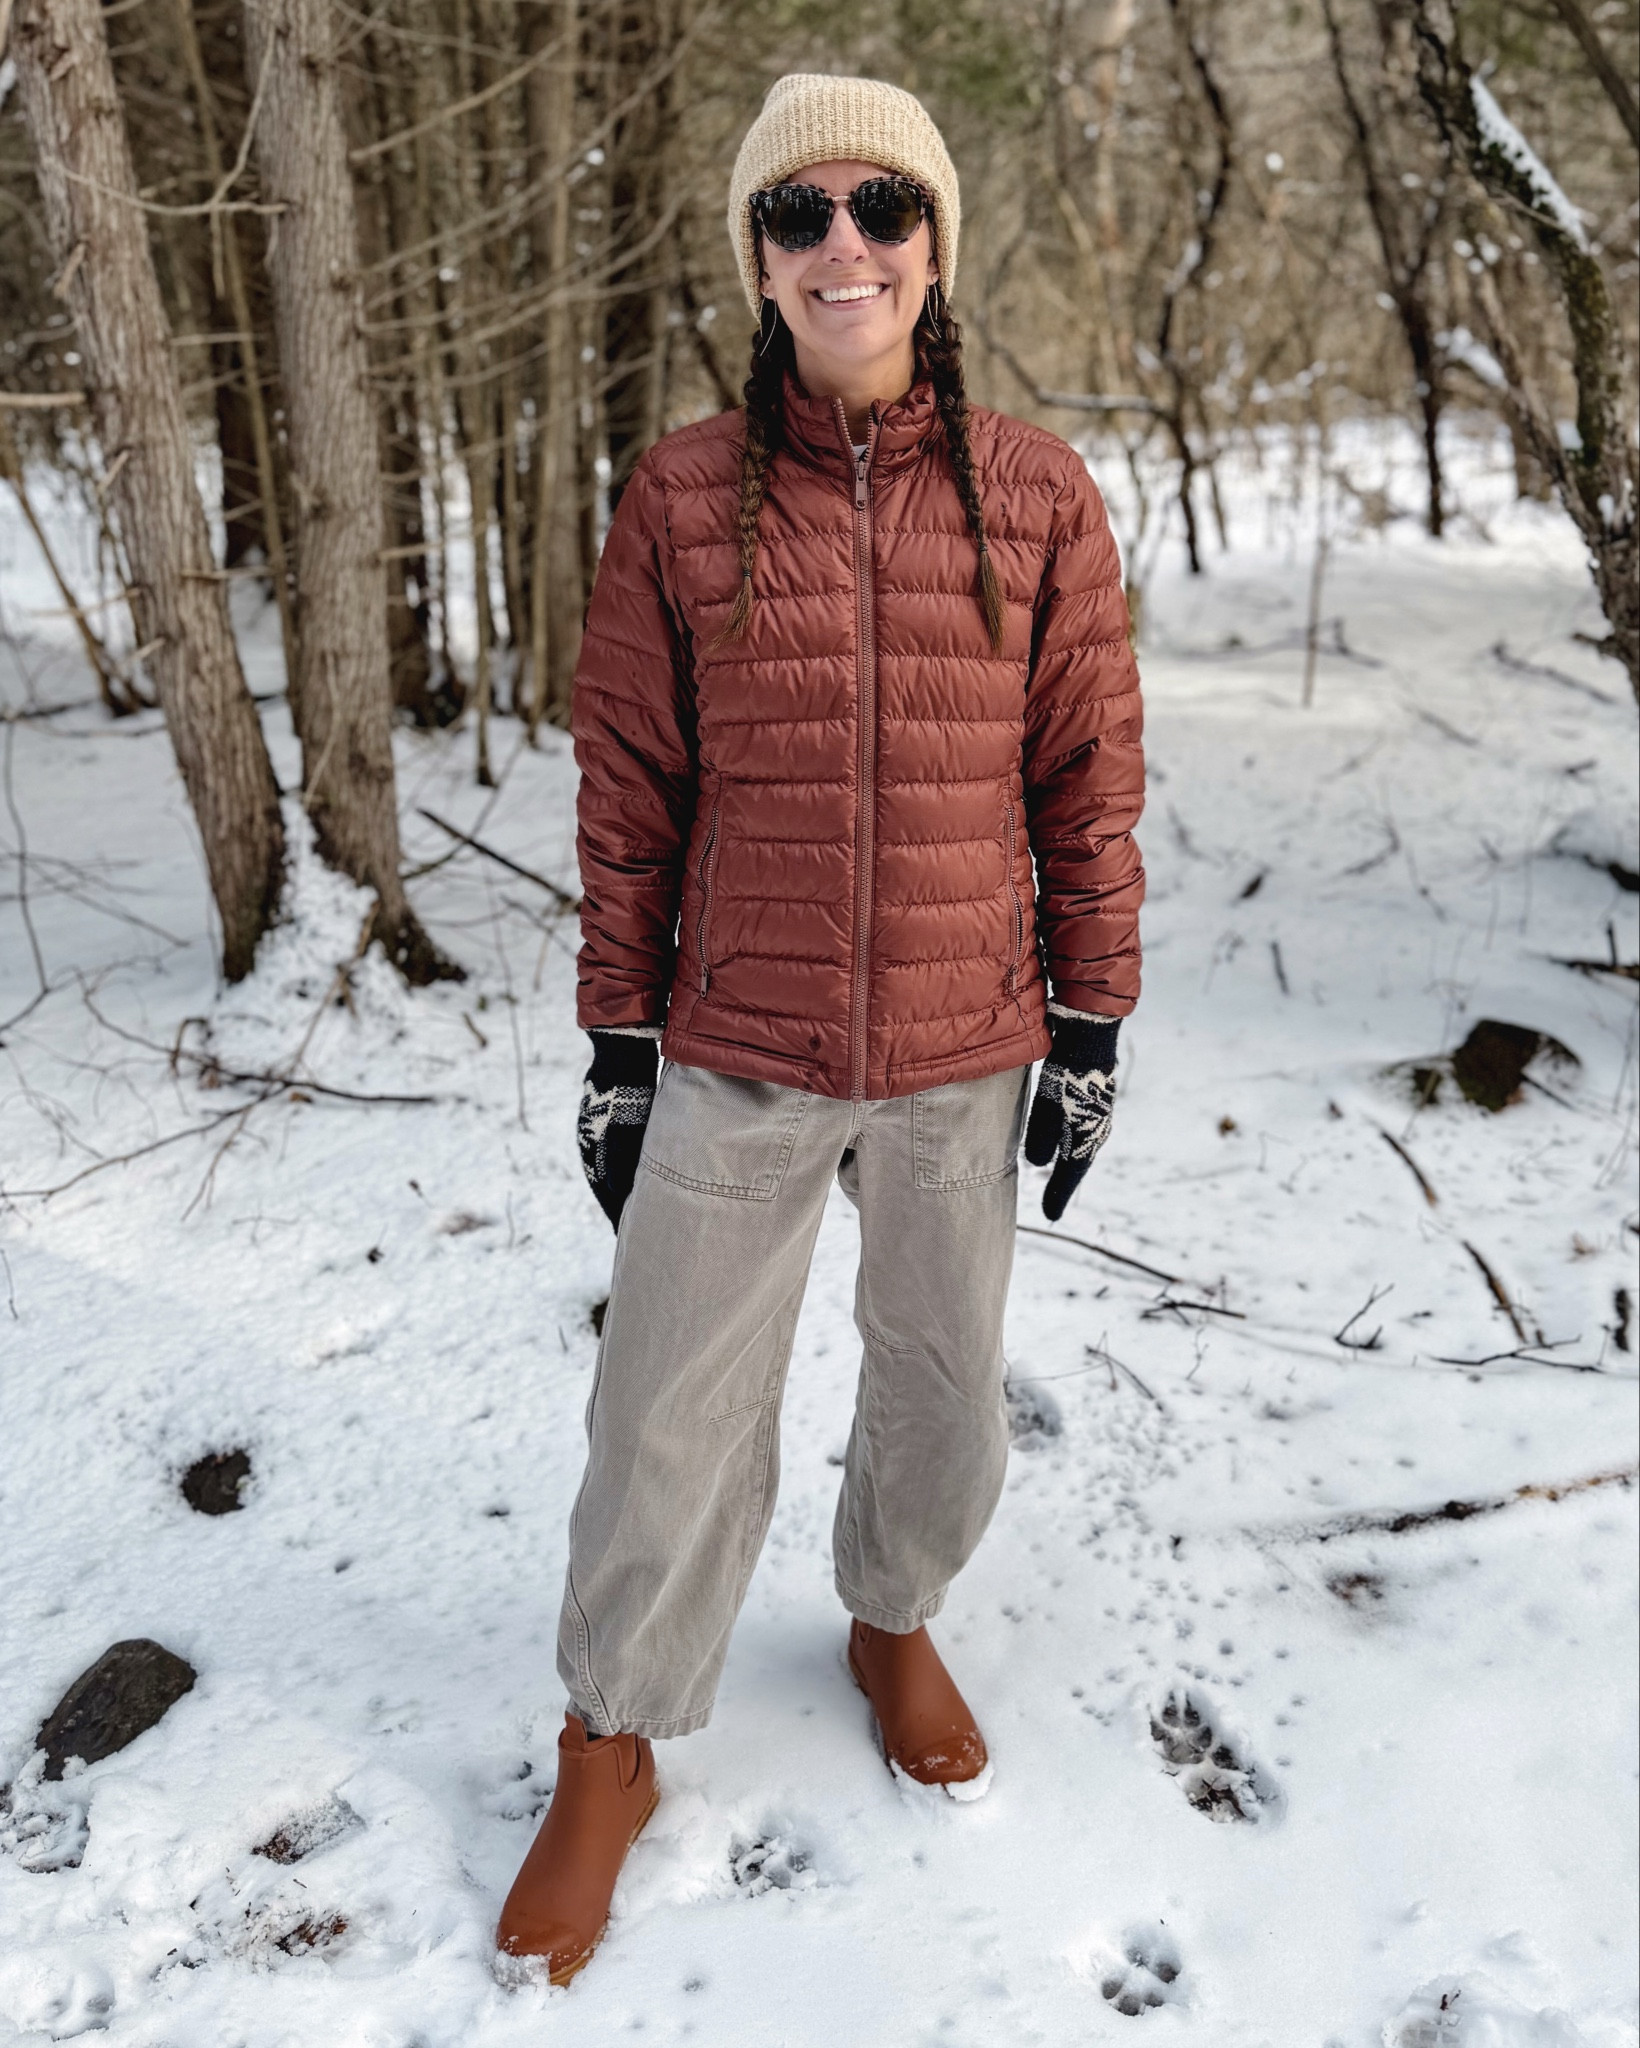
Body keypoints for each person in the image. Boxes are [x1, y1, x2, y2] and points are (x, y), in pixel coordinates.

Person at [497, 72, 1145, 1984]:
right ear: (761, 264)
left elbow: (1086, 773)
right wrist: (622, 1044)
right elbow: (627, 785)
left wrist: (1092, 1010)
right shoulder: (688, 495)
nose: (840, 243)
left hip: (964, 1035)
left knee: (945, 1395)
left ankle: (890, 1615)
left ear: (932, 247)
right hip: (739, 1040)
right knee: (665, 1418)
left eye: (878, 207)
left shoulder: (1031, 492)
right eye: (798, 215)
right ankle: (610, 1739)